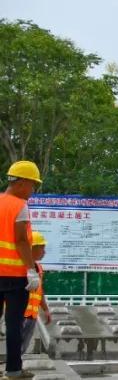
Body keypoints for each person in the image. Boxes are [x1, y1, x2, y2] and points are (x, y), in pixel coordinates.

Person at [0, 161, 41, 378]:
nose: (32, 191)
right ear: (22, 183)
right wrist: (31, 270)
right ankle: (14, 371)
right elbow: (22, 241)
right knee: (14, 325)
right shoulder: (19, 206)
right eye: (32, 185)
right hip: (15, 277)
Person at [22, 231, 49, 354]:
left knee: (23, 346)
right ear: (32, 248)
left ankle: (16, 369)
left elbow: (39, 290)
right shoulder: (21, 267)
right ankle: (12, 369)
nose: (44, 252)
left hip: (32, 315)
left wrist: (45, 309)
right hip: (19, 314)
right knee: (15, 345)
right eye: (42, 248)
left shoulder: (38, 268)